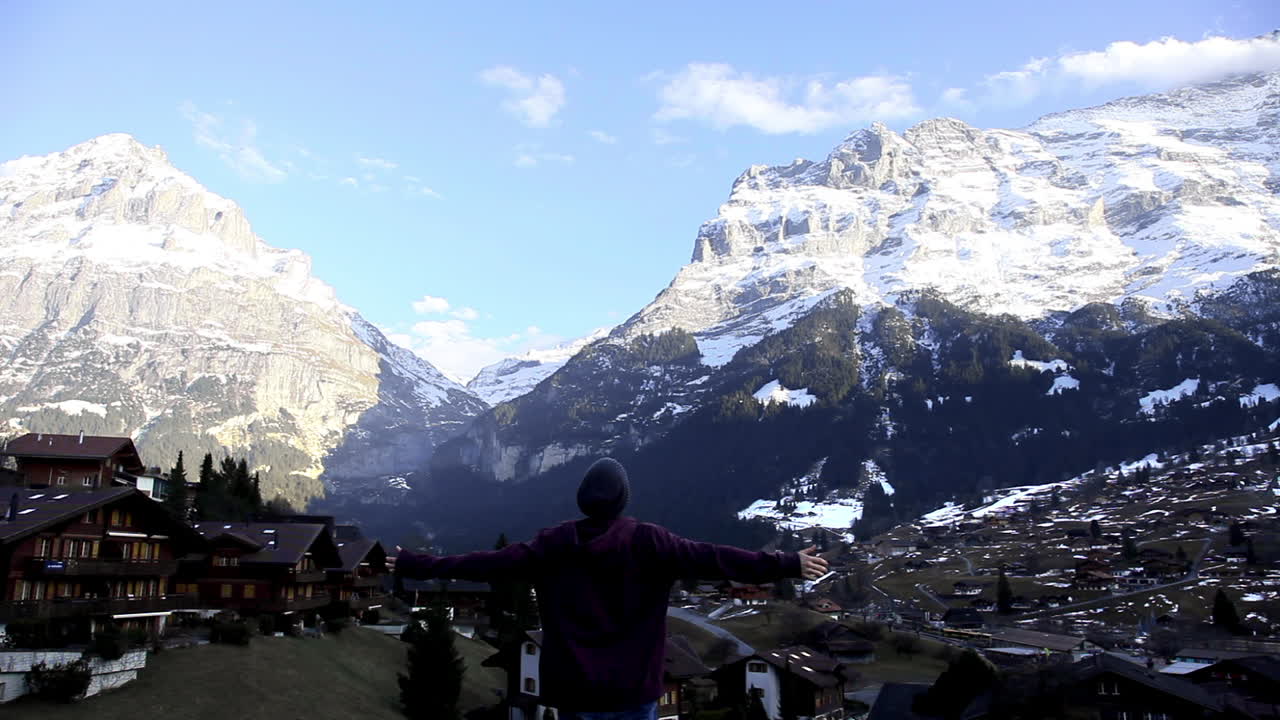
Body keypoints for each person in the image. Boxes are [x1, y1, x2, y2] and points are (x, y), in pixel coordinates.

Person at [394, 457, 828, 720]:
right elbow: (714, 557)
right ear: (623, 500)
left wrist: (417, 563)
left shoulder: (552, 545)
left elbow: (483, 565)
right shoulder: (651, 542)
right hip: (632, 691)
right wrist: (786, 563)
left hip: (572, 691)